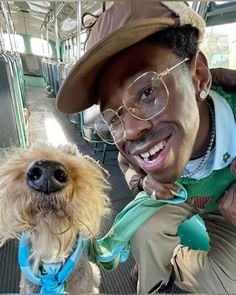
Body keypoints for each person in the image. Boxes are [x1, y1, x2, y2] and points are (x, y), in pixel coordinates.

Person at [57, 1, 236, 293]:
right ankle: (155, 283)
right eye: (113, 116)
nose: (130, 130)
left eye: (147, 91)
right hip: (177, 198)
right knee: (144, 232)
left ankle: (170, 270)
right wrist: (143, 182)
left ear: (198, 76)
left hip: (226, 210)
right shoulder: (142, 144)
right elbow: (126, 163)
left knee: (223, 282)